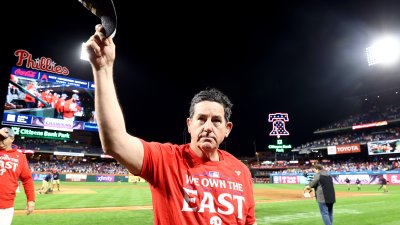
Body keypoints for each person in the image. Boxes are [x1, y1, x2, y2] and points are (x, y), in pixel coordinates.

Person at [84, 25, 257, 225]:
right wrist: (103, 69)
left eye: (216, 120)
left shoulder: (241, 171)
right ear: (189, 125)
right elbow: (115, 142)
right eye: (201, 119)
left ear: (227, 130)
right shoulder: (166, 160)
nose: (208, 126)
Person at [0, 127, 35, 225]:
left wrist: (31, 200)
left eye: (3, 138)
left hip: (5, 207)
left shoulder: (20, 157)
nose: (0, 140)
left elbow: (27, 179)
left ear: (12, 138)